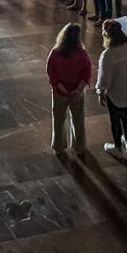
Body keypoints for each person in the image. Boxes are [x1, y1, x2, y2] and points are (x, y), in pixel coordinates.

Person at [95, 19, 127, 154]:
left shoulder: (108, 54)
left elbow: (103, 76)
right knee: (126, 114)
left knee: (114, 118)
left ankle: (116, 146)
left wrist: (101, 91)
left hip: (114, 91)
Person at [46, 23, 91, 157]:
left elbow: (51, 72)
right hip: (77, 92)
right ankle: (79, 146)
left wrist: (63, 89)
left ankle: (59, 146)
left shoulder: (55, 52)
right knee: (78, 119)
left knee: (59, 119)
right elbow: (87, 73)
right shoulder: (82, 54)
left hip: (60, 93)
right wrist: (77, 90)